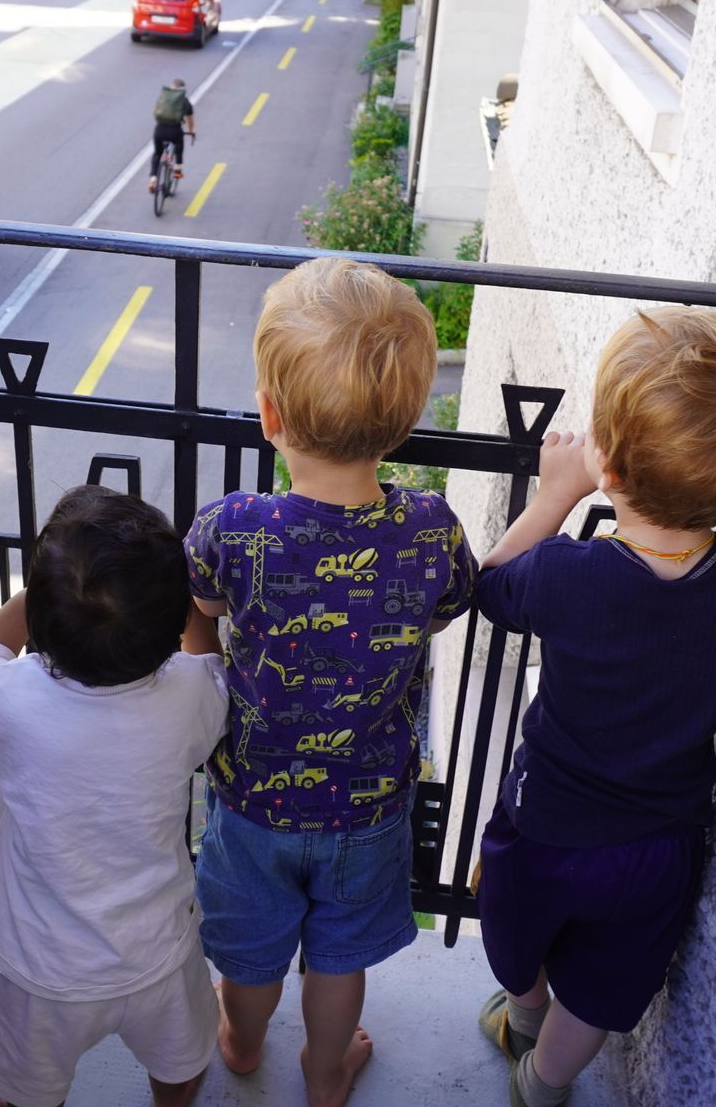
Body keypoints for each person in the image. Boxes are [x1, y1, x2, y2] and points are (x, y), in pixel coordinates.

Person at [469, 307, 716, 1107]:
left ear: (608, 469)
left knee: (510, 927)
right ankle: (543, 1085)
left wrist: (555, 493)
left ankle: (523, 1015)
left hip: (546, 824)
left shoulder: (566, 577)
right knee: (604, 988)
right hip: (660, 843)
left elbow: (490, 586)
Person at [185, 257, 478, 1107]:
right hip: (369, 803)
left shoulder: (235, 527)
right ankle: (324, 1070)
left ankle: (241, 1042)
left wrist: (211, 659)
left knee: (249, 953)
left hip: (252, 795)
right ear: (405, 421)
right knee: (340, 957)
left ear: (270, 415)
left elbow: (200, 603)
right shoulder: (427, 528)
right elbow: (444, 609)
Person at [0, 485, 230, 1107]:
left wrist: (41, 594)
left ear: (44, 618)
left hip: (33, 964)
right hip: (154, 950)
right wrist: (184, 605)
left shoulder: (8, 700)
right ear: (171, 616)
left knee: (25, 1088)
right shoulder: (188, 698)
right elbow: (210, 665)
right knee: (179, 1058)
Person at [150, 77, 196, 192]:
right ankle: (177, 169)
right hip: (175, 131)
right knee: (179, 145)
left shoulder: (163, 97)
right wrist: (191, 131)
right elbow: (190, 119)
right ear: (182, 90)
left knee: (157, 153)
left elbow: (156, 111)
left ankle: (153, 179)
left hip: (159, 130)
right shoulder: (184, 101)